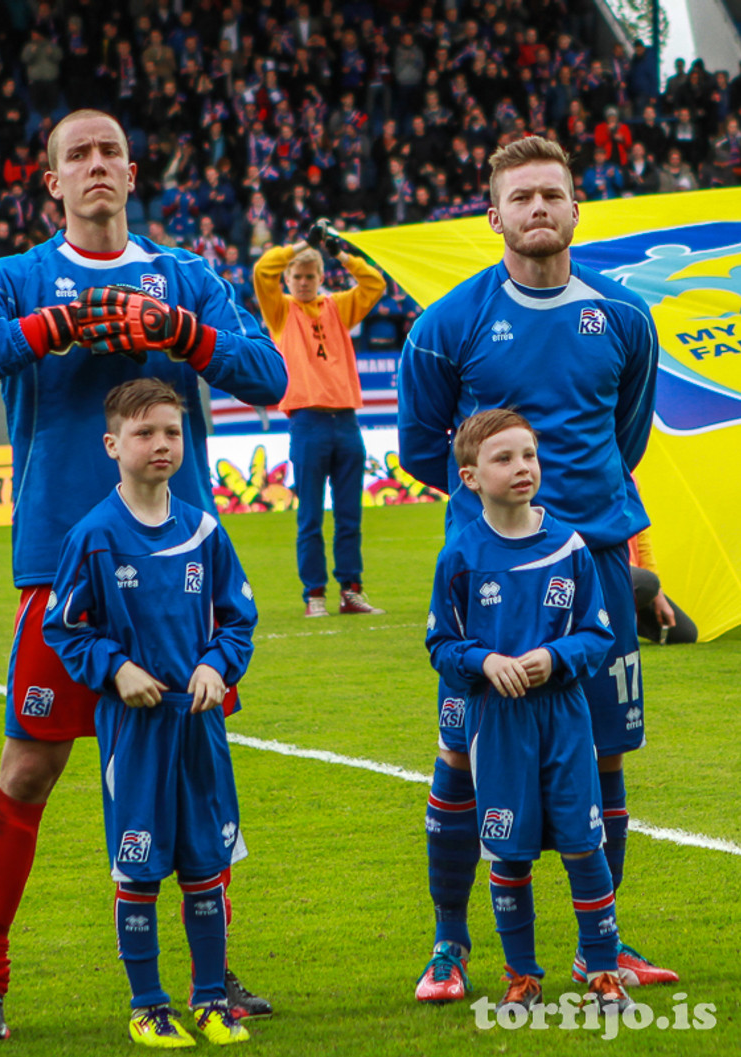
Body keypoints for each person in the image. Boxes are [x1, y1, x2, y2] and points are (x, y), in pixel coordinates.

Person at [0, 108, 286, 1043]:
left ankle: (212, 976)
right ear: (52, 182)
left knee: (195, 767)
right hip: (63, 566)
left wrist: (181, 332)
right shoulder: (20, 278)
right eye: (76, 155)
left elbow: (267, 372)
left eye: (109, 152)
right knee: (29, 768)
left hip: (177, 572)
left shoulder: (185, 275)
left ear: (132, 171)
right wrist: (46, 328)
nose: (96, 165)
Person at [397, 136, 675, 1004]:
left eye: (552, 194)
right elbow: (423, 448)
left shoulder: (623, 316)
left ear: (575, 208)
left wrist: (570, 517)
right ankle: (449, 944)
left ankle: (603, 947)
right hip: (490, 572)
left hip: (596, 560)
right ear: (495, 216)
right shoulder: (448, 324)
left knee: (606, 753)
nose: (538, 209)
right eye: (521, 198)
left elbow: (625, 435)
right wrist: (500, 522)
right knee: (462, 752)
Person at [43, 378, 256, 1048]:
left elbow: (239, 619)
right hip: (134, 732)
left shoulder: (204, 529)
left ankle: (212, 1000)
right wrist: (115, 667)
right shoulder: (93, 536)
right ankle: (147, 1006)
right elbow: (64, 628)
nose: (161, 443)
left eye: (172, 431)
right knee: (138, 866)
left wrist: (217, 665)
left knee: (204, 866)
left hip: (199, 726)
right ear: (112, 445)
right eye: (144, 433)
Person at [427, 409, 632, 1014]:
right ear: (470, 477)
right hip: (497, 723)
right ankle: (522, 976)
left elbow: (598, 634)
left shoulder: (570, 546)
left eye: (529, 455)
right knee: (508, 848)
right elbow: (441, 645)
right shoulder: (460, 556)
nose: (522, 468)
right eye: (504, 458)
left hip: (564, 718)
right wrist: (485, 661)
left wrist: (554, 656)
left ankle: (601, 969)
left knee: (583, 843)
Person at [253, 220, 387, 618]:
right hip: (308, 421)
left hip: (345, 422)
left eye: (310, 276)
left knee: (350, 516)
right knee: (309, 516)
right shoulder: (280, 311)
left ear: (321, 278)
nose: (303, 282)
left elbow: (375, 284)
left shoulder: (337, 307)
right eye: (297, 276)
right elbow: (262, 270)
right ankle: (314, 594)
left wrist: (339, 251)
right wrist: (300, 246)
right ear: (288, 279)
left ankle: (350, 591)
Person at [630, 527, 698, 645]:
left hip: (631, 582)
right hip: (603, 578)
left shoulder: (636, 514)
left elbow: (644, 550)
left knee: (684, 633)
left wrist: (657, 594)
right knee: (647, 582)